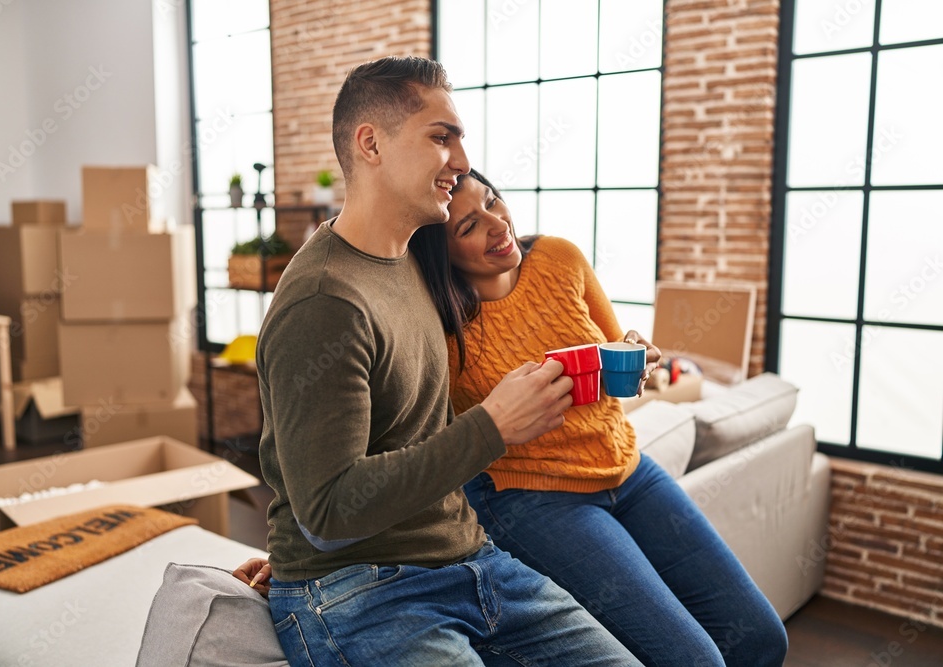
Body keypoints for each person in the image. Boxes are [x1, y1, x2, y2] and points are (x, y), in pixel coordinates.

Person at [235, 56, 642, 667]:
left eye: (459, 140)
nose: (461, 160)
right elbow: (327, 511)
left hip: (473, 564)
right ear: (370, 144)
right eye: (440, 137)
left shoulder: (409, 265)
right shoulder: (323, 301)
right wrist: (493, 426)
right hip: (360, 591)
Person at [403, 168, 789, 666]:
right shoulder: (435, 318)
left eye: (493, 201)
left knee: (760, 636)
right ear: (442, 253)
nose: (498, 224)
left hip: (628, 469)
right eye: (469, 226)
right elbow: (413, 435)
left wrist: (639, 354)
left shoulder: (559, 258)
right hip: (532, 498)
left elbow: (614, 347)